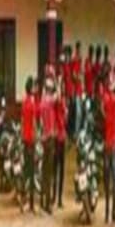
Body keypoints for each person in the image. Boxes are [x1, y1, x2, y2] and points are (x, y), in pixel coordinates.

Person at [102, 73, 115, 224]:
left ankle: (107, 214)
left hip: (106, 143)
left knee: (107, 180)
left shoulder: (107, 100)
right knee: (114, 181)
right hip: (114, 143)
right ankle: (113, 215)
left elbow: (103, 109)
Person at [40, 75, 57, 212]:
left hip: (43, 138)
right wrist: (59, 81)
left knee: (43, 170)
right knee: (49, 172)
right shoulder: (50, 101)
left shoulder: (42, 102)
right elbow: (59, 96)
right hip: (50, 138)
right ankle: (47, 203)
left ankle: (42, 199)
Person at [22, 75, 37, 212]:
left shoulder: (24, 101)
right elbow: (34, 122)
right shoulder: (32, 102)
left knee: (26, 171)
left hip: (25, 139)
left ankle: (24, 200)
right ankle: (31, 204)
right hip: (31, 139)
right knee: (32, 172)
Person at [54, 80, 67, 208]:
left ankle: (58, 198)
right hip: (57, 137)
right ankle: (55, 197)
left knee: (60, 169)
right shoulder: (58, 102)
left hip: (61, 137)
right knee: (56, 168)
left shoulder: (62, 102)